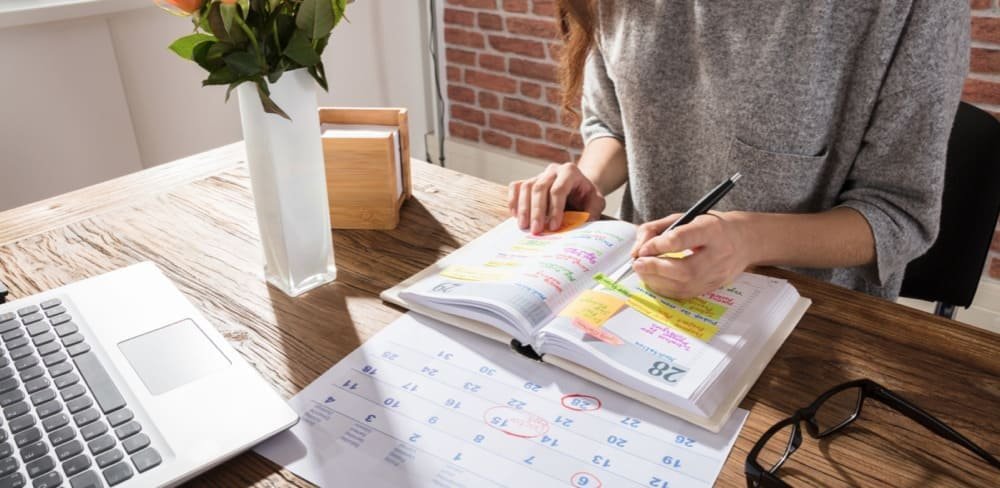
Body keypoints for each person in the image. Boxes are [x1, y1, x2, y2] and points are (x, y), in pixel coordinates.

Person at [508, 0, 969, 299]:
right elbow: (615, 124)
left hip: (808, 320)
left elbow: (897, 214)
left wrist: (746, 240)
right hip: (644, 294)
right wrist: (589, 177)